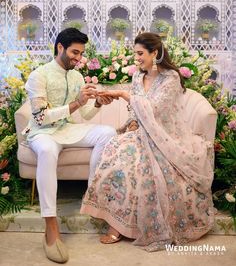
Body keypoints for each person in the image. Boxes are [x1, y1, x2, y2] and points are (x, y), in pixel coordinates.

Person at [80, 32, 215, 252]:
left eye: (140, 53)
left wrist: (124, 96)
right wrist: (132, 122)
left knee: (143, 169)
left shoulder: (170, 78)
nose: (137, 58)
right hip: (141, 132)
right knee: (116, 153)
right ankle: (118, 223)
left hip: (166, 136)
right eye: (135, 53)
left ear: (155, 53)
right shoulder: (136, 77)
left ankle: (125, 228)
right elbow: (137, 110)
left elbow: (155, 109)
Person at [24, 28, 116, 263]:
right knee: (46, 150)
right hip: (42, 133)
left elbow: (84, 115)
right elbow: (41, 118)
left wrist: (97, 104)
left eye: (81, 53)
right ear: (60, 47)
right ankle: (50, 225)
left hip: (67, 129)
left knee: (107, 132)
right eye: (75, 52)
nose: (78, 58)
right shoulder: (39, 75)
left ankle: (92, 194)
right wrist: (76, 103)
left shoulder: (76, 76)